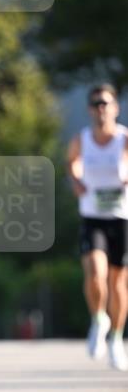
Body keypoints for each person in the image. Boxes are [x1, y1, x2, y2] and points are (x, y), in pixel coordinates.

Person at [66, 84, 128, 371]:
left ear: (115, 107)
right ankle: (98, 319)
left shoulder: (124, 139)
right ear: (90, 109)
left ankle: (116, 338)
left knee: (117, 284)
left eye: (106, 103)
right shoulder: (82, 139)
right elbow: (72, 164)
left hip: (121, 218)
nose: (101, 108)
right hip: (92, 218)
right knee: (95, 271)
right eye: (96, 103)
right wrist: (77, 180)